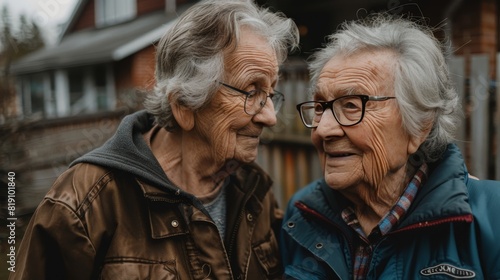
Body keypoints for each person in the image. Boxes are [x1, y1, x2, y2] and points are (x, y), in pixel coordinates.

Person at [11, 0, 299, 279]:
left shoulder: (253, 190)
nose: (270, 117)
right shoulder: (83, 204)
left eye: (270, 95)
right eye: (251, 92)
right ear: (184, 104)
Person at [280, 14, 500, 280]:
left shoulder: (491, 218)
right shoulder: (302, 214)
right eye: (319, 107)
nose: (324, 129)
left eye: (352, 105)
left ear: (420, 125)